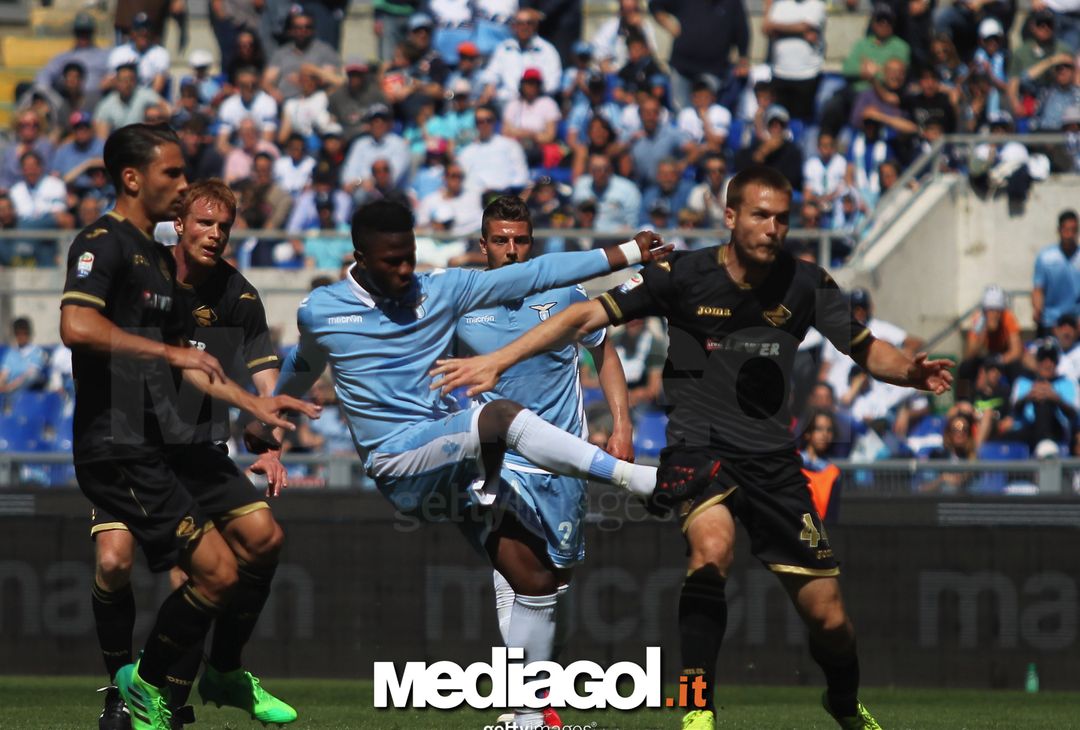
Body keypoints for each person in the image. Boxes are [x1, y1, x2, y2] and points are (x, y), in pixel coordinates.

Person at [431, 165, 954, 730]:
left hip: (774, 463)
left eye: (782, 218)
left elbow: (866, 349)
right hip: (696, 449)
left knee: (829, 620)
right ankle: (695, 706)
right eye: (760, 215)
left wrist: (911, 372)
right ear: (731, 217)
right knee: (708, 555)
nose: (773, 228)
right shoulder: (682, 274)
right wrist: (497, 362)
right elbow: (587, 315)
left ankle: (844, 702)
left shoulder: (806, 283)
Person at [251, 199, 666, 727]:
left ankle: (527, 718)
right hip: (402, 461)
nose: (406, 272)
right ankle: (637, 480)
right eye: (392, 262)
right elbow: (303, 363)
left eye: (410, 258)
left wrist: (627, 251)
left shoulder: (440, 289)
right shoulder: (323, 309)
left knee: (534, 580)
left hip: (462, 461)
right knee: (496, 416)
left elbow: (541, 272)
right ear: (359, 256)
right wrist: (268, 427)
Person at [60, 124, 317, 730]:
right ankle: (132, 691)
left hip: (178, 443)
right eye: (173, 176)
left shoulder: (175, 270)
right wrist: (175, 356)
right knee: (123, 562)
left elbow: (206, 366)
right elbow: (78, 328)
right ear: (134, 179)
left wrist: (261, 412)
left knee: (245, 552)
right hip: (121, 443)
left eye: (223, 225)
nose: (183, 191)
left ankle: (189, 681)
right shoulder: (108, 245)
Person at [453, 197, 634, 729]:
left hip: (564, 458)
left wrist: (621, 424)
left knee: (551, 584)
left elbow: (603, 353)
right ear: (483, 244)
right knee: (514, 570)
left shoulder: (565, 293)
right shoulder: (460, 301)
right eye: (501, 240)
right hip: (499, 459)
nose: (512, 250)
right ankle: (525, 709)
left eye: (522, 240)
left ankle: (537, 699)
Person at [1032, 209, 1080, 336]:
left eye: (1074, 230)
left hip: (1076, 321)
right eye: (1066, 230)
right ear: (1059, 230)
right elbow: (1038, 288)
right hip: (1051, 321)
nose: (1070, 235)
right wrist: (1037, 308)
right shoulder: (1046, 257)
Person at [800, 409, 842, 525]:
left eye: (829, 430)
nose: (825, 434)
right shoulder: (792, 465)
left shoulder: (833, 473)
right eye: (819, 429)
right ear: (807, 433)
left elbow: (832, 515)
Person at [0, 317, 48, 395]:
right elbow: (4, 374)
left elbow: (30, 376)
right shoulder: (11, 353)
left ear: (29, 333)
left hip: (28, 392)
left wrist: (9, 387)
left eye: (24, 333)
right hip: (9, 392)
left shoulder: (37, 352)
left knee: (32, 376)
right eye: (18, 333)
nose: (21, 336)